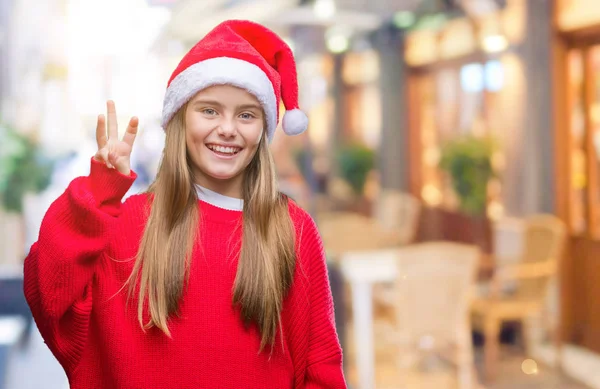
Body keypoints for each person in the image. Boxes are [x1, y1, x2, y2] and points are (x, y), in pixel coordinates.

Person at [23, 20, 346, 388]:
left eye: (246, 114)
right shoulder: (126, 224)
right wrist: (98, 192)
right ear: (179, 119)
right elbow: (49, 296)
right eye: (209, 110)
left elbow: (320, 367)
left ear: (264, 129)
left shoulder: (292, 228)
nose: (228, 128)